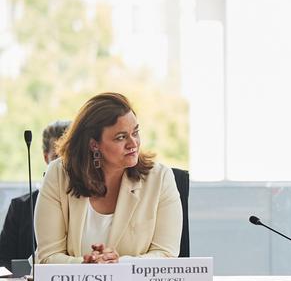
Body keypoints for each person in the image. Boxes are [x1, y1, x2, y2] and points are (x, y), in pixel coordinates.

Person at [34, 93, 182, 263]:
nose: (133, 143)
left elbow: (166, 255)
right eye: (121, 137)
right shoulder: (58, 174)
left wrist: (117, 265)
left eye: (135, 132)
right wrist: (86, 265)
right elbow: (47, 256)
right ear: (93, 144)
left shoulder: (160, 178)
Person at [0, 120, 71, 268]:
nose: (63, 164)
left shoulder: (91, 203)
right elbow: (3, 261)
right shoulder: (19, 207)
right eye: (58, 156)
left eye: (69, 155)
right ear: (46, 158)